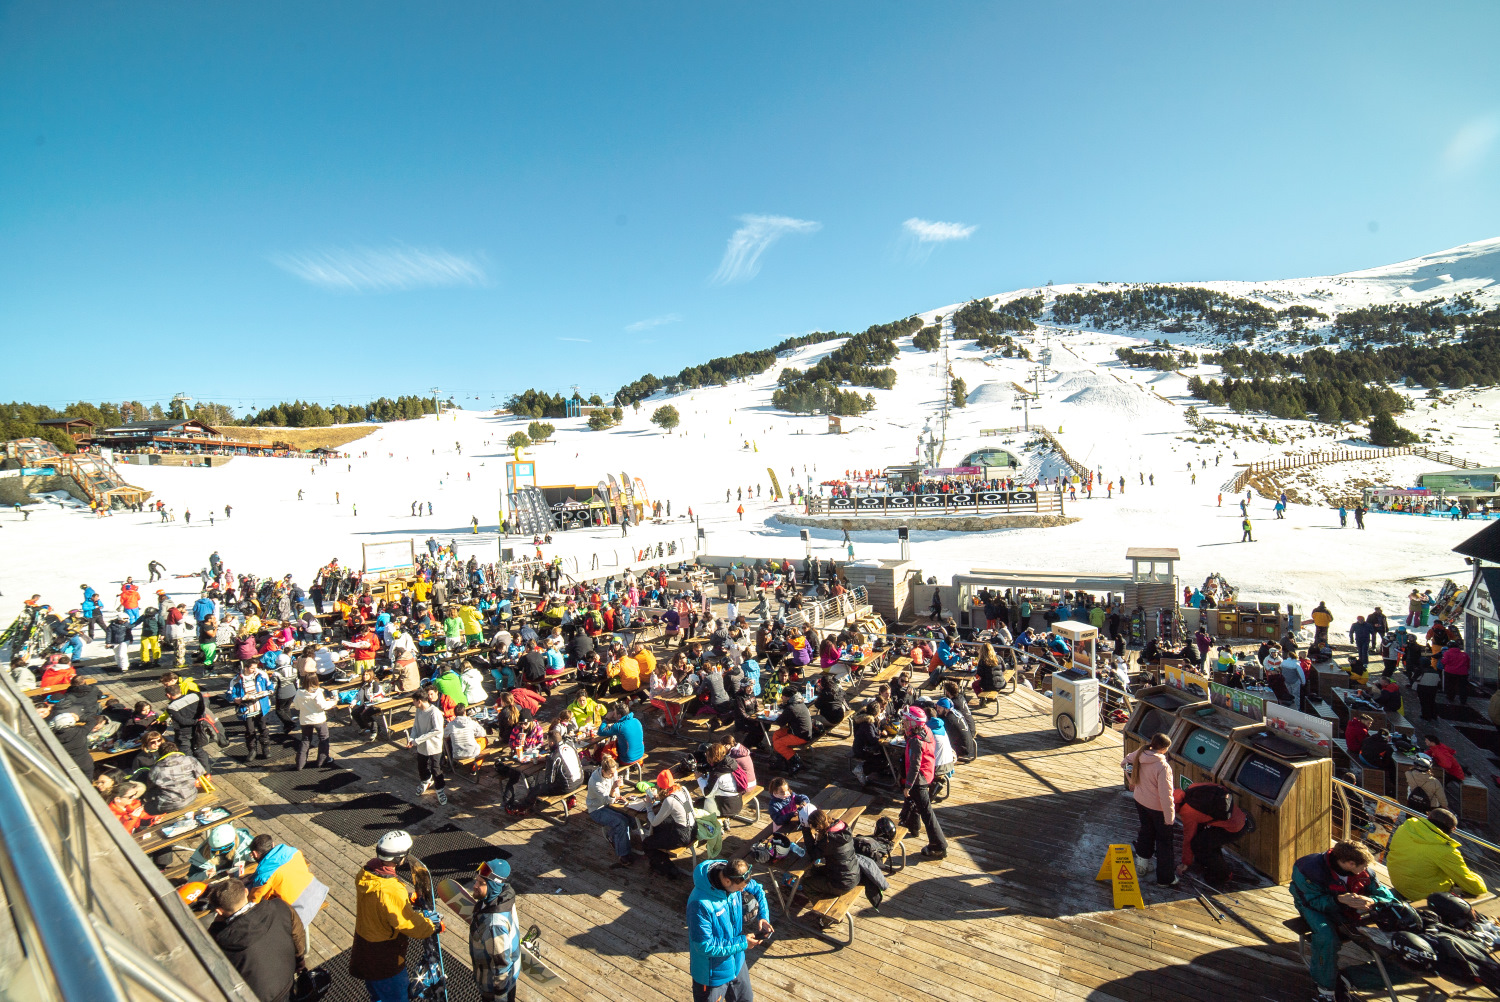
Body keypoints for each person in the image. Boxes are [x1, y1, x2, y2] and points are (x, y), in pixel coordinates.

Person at [1292, 841, 1399, 1000]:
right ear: (1349, 863)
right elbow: (1311, 901)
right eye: (1362, 866)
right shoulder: (1308, 869)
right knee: (1326, 938)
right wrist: (1339, 900)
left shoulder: (1366, 872)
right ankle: (1325, 988)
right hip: (1313, 906)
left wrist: (1373, 901)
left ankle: (1350, 979)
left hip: (1346, 907)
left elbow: (1387, 898)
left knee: (1394, 932)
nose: (1366, 870)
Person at [349, 830, 440, 1002]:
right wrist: (431, 926)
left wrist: (404, 899)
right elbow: (408, 924)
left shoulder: (366, 872)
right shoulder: (391, 890)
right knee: (397, 998)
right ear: (399, 858)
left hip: (365, 948)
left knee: (377, 994)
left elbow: (381, 903)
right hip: (384, 957)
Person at [206, 878, 304, 1002]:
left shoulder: (219, 941)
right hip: (287, 981)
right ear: (246, 892)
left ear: (219, 911)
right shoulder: (279, 907)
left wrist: (215, 927)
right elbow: (298, 937)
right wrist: (299, 961)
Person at [687, 857, 771, 1002]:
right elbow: (703, 946)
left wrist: (763, 916)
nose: (743, 890)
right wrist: (743, 943)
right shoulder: (699, 905)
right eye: (740, 889)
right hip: (712, 976)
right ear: (727, 881)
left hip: (737, 963)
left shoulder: (734, 877)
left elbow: (757, 889)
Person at [1386, 807, 1488, 902]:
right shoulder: (1445, 850)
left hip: (1398, 882)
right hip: (1421, 894)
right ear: (1453, 829)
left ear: (1428, 818)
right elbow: (1476, 888)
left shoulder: (1405, 828)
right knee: (1472, 896)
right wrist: (1476, 876)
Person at [800, 807, 889, 910]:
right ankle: (825, 894)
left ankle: (823, 911)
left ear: (817, 827)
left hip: (841, 883)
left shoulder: (828, 841)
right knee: (814, 870)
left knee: (807, 884)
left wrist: (806, 830)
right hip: (854, 874)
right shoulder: (842, 827)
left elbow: (813, 854)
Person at [1123, 732, 1177, 887]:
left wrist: (1131, 780)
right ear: (1165, 748)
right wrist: (1169, 818)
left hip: (1140, 801)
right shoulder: (1163, 767)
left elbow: (1125, 762)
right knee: (1164, 842)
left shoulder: (1140, 752)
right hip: (1158, 809)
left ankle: (1142, 865)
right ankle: (1165, 879)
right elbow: (1166, 796)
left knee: (1146, 832)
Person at [246, 834, 330, 931]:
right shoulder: (293, 852)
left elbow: (254, 902)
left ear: (255, 854)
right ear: (272, 844)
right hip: (316, 892)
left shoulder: (264, 875)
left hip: (300, 909)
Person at [1172, 782, 1248, 887]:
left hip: (1233, 828)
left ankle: (1224, 875)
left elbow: (1188, 838)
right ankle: (1206, 863)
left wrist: (1185, 863)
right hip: (1239, 816)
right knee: (1205, 840)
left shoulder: (1188, 813)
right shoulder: (1192, 788)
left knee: (1199, 845)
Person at [897, 706, 947, 860]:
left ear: (913, 723)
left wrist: (908, 785)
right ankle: (913, 827)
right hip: (927, 773)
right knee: (916, 805)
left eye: (906, 721)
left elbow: (915, 765)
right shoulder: (926, 730)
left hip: (919, 780)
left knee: (927, 813)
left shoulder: (916, 742)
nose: (903, 723)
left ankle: (939, 846)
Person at [468, 859, 521, 1002]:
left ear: (493, 886)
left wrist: (500, 997)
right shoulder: (504, 896)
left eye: (481, 883)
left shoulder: (494, 926)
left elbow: (501, 967)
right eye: (476, 881)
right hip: (507, 980)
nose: (475, 886)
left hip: (494, 989)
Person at [587, 754, 642, 868]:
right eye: (610, 774)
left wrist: (618, 795)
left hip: (610, 804)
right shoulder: (595, 782)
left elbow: (615, 792)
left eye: (614, 772)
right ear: (603, 771)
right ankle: (623, 855)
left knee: (632, 817)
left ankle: (614, 836)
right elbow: (607, 801)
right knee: (621, 822)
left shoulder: (613, 773)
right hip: (597, 809)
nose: (613, 775)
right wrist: (613, 789)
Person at [643, 769, 696, 878]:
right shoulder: (683, 790)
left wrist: (648, 806)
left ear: (660, 787)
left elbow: (653, 821)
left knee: (647, 843)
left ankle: (667, 867)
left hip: (681, 836)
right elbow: (686, 808)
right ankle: (663, 855)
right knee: (659, 829)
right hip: (693, 828)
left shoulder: (669, 801)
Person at [227, 659, 275, 761]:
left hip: (261, 707)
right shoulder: (236, 680)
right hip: (246, 710)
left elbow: (270, 685)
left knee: (263, 728)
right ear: (246, 668)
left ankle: (266, 749)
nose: (255, 670)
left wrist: (270, 691)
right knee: (250, 731)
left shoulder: (261, 675)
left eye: (255, 667)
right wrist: (236, 700)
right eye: (252, 668)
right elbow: (229, 695)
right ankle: (252, 750)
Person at [143, 741, 207, 815]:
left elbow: (150, 787)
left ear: (160, 754)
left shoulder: (156, 769)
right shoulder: (190, 759)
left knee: (147, 807)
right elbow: (201, 772)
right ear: (176, 750)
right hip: (191, 796)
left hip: (170, 804)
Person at [291, 676, 338, 771]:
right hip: (318, 719)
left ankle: (300, 763)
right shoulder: (317, 692)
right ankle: (322, 761)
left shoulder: (299, 692)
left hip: (305, 720)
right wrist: (333, 702)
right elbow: (323, 706)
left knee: (305, 740)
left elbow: (296, 706)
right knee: (324, 739)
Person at [410, 690, 448, 806]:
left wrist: (418, 740)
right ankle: (425, 781)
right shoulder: (418, 711)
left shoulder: (434, 712)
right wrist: (412, 738)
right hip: (421, 746)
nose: (413, 704)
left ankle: (440, 789)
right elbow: (415, 726)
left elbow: (437, 730)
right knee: (421, 765)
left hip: (434, 746)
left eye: (414, 701)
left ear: (419, 701)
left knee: (436, 768)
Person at [187, 821, 257, 880]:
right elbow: (191, 879)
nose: (218, 854)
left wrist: (252, 856)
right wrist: (205, 874)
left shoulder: (246, 842)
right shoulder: (202, 854)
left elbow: (261, 855)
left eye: (225, 849)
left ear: (234, 841)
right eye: (215, 851)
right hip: (215, 879)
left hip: (236, 874)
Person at [771, 687, 814, 774]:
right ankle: (782, 759)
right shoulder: (799, 702)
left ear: (787, 697)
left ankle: (796, 762)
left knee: (777, 743)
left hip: (801, 735)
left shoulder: (792, 708)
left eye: (783, 696)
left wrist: (782, 711)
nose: (782, 698)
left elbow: (780, 722)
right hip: (802, 730)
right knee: (777, 734)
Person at [599, 702, 645, 768]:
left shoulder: (619, 726)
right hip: (640, 754)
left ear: (619, 716)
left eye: (614, 713)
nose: (613, 715)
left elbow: (601, 732)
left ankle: (600, 765)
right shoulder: (636, 720)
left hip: (627, 759)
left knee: (608, 748)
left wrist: (606, 718)